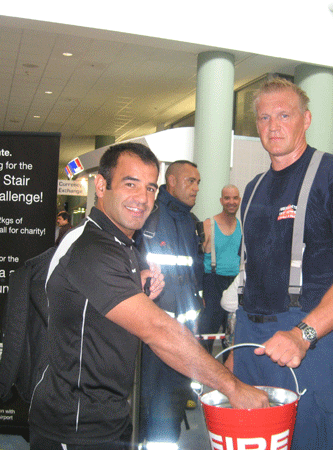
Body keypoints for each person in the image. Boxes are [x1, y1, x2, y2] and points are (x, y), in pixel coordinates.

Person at [28, 143, 268, 450]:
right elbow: (157, 330)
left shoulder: (120, 243)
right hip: (75, 424)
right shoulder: (93, 248)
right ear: (101, 186)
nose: (142, 198)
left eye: (150, 187)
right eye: (130, 184)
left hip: (106, 411)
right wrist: (232, 386)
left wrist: (136, 285)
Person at [232, 77, 333, 450]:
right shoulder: (253, 188)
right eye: (264, 118)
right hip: (252, 341)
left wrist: (303, 335)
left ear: (306, 119)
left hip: (311, 342)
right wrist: (238, 350)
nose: (273, 126)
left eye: (284, 114)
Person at [136, 159, 206, 445]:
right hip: (152, 338)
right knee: (152, 408)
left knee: (172, 409)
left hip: (184, 338)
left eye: (199, 182)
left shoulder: (190, 223)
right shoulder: (148, 215)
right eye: (191, 181)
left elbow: (193, 279)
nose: (197, 188)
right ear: (172, 181)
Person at [199, 184, 242, 354]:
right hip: (213, 282)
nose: (231, 202)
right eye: (227, 198)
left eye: (235, 198)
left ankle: (228, 375)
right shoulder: (209, 224)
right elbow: (199, 259)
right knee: (206, 336)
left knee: (231, 339)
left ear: (239, 200)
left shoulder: (242, 226)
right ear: (221, 200)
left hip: (235, 284)